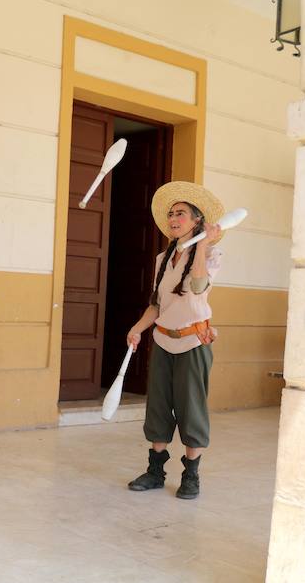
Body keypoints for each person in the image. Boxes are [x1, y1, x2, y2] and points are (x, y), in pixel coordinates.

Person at [125, 181, 224, 500]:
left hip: (193, 343)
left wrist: (202, 245)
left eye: (180, 213)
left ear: (197, 220)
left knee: (191, 410)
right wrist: (138, 328)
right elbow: (157, 304)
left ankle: (191, 476)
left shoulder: (211, 255)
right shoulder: (161, 259)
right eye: (170, 214)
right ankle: (155, 471)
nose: (173, 218)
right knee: (157, 408)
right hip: (163, 342)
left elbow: (197, 287)